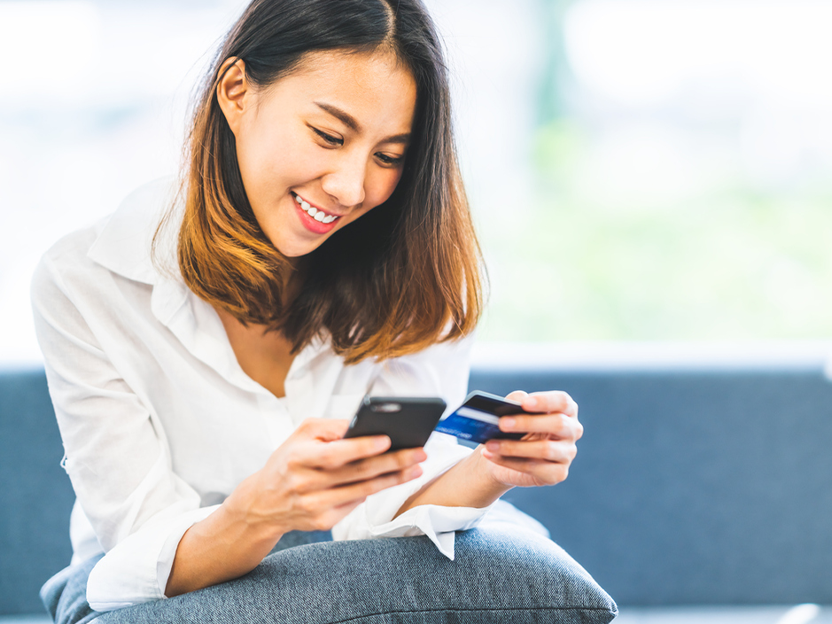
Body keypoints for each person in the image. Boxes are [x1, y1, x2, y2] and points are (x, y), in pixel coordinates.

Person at [31, 0, 584, 621]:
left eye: (389, 156)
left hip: (358, 559)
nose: (351, 188)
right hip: (165, 575)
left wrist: (491, 467)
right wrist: (261, 511)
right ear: (237, 92)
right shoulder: (87, 279)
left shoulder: (417, 274)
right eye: (328, 135)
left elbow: (387, 503)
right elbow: (138, 555)